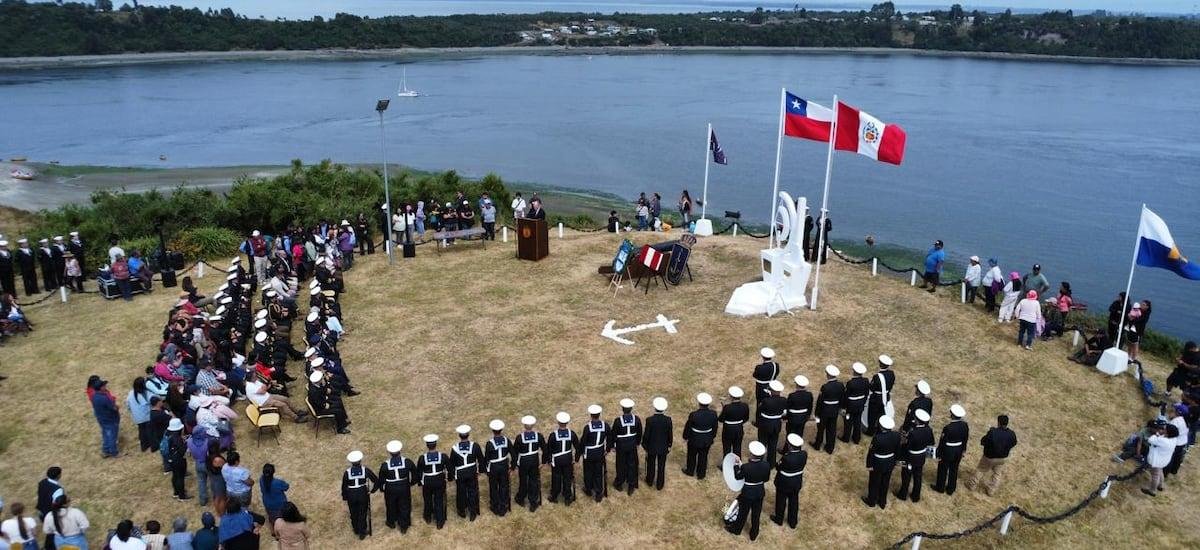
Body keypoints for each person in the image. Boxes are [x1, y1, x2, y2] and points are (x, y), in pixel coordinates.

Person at [725, 441, 770, 541]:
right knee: (756, 514)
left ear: (752, 454)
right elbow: (766, 479)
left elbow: (737, 476)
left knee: (743, 513)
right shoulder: (766, 465)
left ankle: (736, 530)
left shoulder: (746, 467)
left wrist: (736, 465)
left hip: (748, 493)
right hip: (759, 492)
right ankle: (754, 534)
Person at [967, 414, 1019, 496]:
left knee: (981, 470)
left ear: (998, 422)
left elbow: (983, 441)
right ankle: (991, 491)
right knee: (997, 474)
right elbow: (1014, 443)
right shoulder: (1012, 434)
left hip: (989, 457)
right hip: (1002, 458)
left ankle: (972, 485)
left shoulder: (993, 432)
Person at [377, 440, 418, 532]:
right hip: (404, 486)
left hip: (390, 488)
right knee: (404, 505)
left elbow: (381, 479)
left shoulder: (385, 465)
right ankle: (404, 526)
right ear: (400, 450)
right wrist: (412, 483)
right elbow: (415, 473)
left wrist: (382, 489)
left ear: (389, 452)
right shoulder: (407, 462)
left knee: (390, 505)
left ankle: (391, 522)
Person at [894, 409, 934, 503]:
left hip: (911, 457)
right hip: (921, 456)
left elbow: (907, 446)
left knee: (906, 476)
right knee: (918, 476)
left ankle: (903, 494)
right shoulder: (929, 430)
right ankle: (916, 496)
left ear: (917, 420)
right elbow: (931, 442)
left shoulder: (913, 433)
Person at [863, 415, 902, 509]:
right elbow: (898, 450)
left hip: (878, 462)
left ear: (881, 426)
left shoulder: (877, 438)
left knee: (874, 482)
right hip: (890, 462)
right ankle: (882, 501)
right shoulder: (896, 435)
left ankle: (872, 501)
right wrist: (896, 460)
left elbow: (871, 452)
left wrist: (869, 465)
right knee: (885, 482)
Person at [770, 433, 807, 529]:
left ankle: (779, 519)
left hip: (784, 483)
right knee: (794, 502)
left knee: (781, 501)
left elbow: (778, 467)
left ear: (790, 446)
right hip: (796, 482)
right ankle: (792, 522)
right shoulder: (804, 454)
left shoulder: (786, 458)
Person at [932, 404, 970, 495]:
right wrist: (963, 450)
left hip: (948, 451)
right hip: (959, 450)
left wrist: (939, 453)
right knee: (954, 469)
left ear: (952, 415)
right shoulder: (965, 425)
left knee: (943, 469)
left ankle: (940, 487)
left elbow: (943, 442)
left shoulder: (948, 428)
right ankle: (951, 489)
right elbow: (965, 438)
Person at [543, 413, 580, 505]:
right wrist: (576, 459)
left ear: (558, 422)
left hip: (557, 460)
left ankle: (554, 495)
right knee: (567, 478)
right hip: (567, 459)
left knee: (556, 477)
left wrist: (549, 460)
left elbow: (549, 449)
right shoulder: (572, 434)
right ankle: (567, 497)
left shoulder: (553, 435)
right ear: (567, 422)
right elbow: (578, 447)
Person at [450, 425, 484, 518]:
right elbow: (481, 459)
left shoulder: (454, 448)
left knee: (461, 492)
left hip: (460, 474)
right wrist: (480, 470)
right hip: (472, 472)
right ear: (468, 434)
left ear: (459, 435)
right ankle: (473, 512)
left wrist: (452, 476)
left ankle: (462, 511)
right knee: (473, 491)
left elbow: (451, 464)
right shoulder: (475, 446)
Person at [682, 392, 718, 479]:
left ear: (699, 403)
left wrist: (685, 436)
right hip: (707, 439)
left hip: (694, 439)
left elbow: (688, 427)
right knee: (703, 456)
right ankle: (701, 474)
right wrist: (712, 437)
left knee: (691, 455)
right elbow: (715, 427)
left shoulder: (694, 415)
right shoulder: (713, 414)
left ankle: (690, 471)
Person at [341, 450, 376, 539]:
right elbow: (376, 480)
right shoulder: (365, 470)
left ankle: (356, 529)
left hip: (351, 494)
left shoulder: (347, 472)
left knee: (353, 512)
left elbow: (344, 486)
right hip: (362, 493)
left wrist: (345, 497)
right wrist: (372, 490)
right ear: (360, 460)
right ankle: (362, 532)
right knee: (362, 513)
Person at [609, 401, 642, 495]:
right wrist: (637, 443)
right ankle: (631, 485)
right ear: (631, 409)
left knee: (620, 465)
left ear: (622, 409)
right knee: (632, 465)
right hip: (632, 445)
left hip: (621, 446)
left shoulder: (618, 421)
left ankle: (619, 483)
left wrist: (612, 446)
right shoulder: (637, 419)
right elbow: (640, 432)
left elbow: (613, 434)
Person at [417, 435, 449, 529]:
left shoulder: (422, 458)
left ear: (427, 445)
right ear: (436, 444)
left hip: (427, 482)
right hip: (439, 480)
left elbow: (419, 472)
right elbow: (449, 468)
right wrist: (450, 478)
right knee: (439, 500)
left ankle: (428, 517)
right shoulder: (443, 456)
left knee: (427, 500)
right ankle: (440, 522)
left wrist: (420, 483)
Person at [513, 416, 545, 511]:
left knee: (523, 480)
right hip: (534, 460)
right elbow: (545, 449)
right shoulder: (538, 436)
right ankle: (533, 502)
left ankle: (521, 498)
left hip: (523, 461)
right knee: (533, 481)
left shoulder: (519, 438)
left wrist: (514, 465)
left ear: (524, 425)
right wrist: (543, 462)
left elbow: (515, 452)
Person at [483, 420, 514, 515]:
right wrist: (512, 467)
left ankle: (495, 506)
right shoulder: (507, 440)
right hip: (504, 465)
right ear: (501, 430)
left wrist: (486, 470)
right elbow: (513, 454)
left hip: (494, 467)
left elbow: (486, 458)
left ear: (492, 430)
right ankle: (503, 505)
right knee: (504, 486)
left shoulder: (489, 443)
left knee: (493, 487)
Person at [642, 397, 673, 490]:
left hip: (652, 446)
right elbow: (670, 434)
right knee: (661, 466)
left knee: (651, 464)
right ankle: (660, 484)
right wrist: (669, 444)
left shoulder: (650, 420)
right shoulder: (668, 420)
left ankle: (650, 481)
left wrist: (645, 445)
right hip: (663, 447)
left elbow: (647, 434)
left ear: (654, 408)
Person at [579, 406, 608, 502]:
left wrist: (580, 452)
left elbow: (583, 441)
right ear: (599, 415)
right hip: (600, 452)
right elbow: (610, 437)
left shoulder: (588, 427)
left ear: (591, 415)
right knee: (598, 473)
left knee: (588, 472)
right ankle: (599, 493)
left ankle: (588, 489)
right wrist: (607, 449)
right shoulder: (605, 425)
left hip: (589, 453)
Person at [814, 365, 844, 455]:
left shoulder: (825, 387)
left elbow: (820, 402)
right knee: (832, 429)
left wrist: (817, 413)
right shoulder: (840, 385)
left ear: (829, 375)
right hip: (834, 410)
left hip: (824, 411)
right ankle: (830, 448)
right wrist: (839, 408)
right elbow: (842, 398)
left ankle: (817, 445)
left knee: (821, 428)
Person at [756, 381, 786, 466]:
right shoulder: (783, 400)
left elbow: (760, 410)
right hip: (776, 425)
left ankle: (759, 460)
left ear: (771, 390)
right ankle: (771, 462)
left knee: (762, 442)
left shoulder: (766, 401)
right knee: (773, 444)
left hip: (765, 425)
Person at [865, 355, 896, 436]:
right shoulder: (891, 374)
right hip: (885, 397)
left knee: (872, 416)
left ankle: (870, 431)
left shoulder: (877, 377)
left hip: (876, 399)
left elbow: (872, 388)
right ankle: (880, 429)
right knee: (881, 414)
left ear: (881, 364)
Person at [1142, 423, 1175, 496]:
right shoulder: (1173, 439)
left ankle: (1152, 491)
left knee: (1155, 475)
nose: (1163, 429)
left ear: (1168, 432)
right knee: (1160, 472)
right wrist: (1159, 436)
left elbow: (1151, 440)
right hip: (1163, 460)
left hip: (1157, 461)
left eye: (1165, 429)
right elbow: (1160, 439)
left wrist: (1156, 434)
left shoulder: (1164, 441)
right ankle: (1160, 486)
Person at [90, 378, 121, 458]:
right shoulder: (104, 398)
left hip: (101, 418)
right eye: (104, 385)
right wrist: (116, 406)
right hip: (110, 418)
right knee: (112, 435)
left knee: (106, 434)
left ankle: (105, 450)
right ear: (101, 388)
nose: (105, 386)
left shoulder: (94, 396)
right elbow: (113, 408)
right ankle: (114, 452)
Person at [841, 362, 870, 444]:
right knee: (857, 422)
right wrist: (863, 402)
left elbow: (846, 396)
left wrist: (844, 407)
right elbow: (866, 393)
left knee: (848, 422)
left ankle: (846, 438)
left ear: (854, 372)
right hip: (860, 405)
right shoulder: (866, 381)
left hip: (850, 406)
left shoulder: (851, 383)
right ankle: (856, 438)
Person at [35, 467, 62, 550]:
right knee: (53, 533)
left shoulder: (42, 482)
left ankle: (47, 546)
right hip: (50, 515)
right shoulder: (58, 490)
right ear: (58, 476)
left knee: (50, 533)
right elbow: (57, 504)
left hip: (41, 511)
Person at [719, 386, 750, 460]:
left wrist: (723, 409)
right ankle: (737, 465)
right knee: (737, 448)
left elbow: (720, 419)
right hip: (739, 429)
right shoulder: (745, 406)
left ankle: (726, 465)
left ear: (731, 396)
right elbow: (746, 418)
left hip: (728, 430)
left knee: (727, 448)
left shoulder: (727, 407)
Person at [166, 418, 192, 500]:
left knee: (175, 476)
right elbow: (182, 450)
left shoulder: (169, 436)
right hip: (179, 460)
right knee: (180, 477)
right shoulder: (177, 439)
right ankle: (182, 496)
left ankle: (176, 492)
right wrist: (187, 443)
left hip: (171, 459)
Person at [127, 377, 155, 452]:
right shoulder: (145, 393)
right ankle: (153, 446)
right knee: (149, 431)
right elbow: (152, 401)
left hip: (137, 417)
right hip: (146, 416)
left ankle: (144, 446)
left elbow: (128, 405)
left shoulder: (130, 393)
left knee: (142, 431)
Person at [260, 464, 290, 531]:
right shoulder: (277, 482)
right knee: (282, 518)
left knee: (272, 518)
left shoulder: (261, 479)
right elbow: (286, 487)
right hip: (280, 504)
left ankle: (274, 531)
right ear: (273, 472)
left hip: (268, 504)